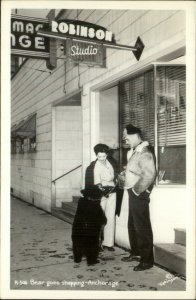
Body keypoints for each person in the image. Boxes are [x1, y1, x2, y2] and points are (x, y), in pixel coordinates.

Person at [121, 124, 156, 271]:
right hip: (133, 192)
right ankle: (136, 252)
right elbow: (137, 170)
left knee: (142, 226)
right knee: (132, 224)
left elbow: (149, 175)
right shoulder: (135, 150)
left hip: (138, 193)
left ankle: (147, 260)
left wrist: (136, 191)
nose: (125, 140)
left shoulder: (144, 151)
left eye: (126, 137)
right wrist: (125, 174)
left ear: (135, 135)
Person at [85, 143, 122, 251]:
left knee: (110, 218)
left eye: (104, 156)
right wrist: (102, 191)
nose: (101, 159)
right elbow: (97, 183)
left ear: (107, 154)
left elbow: (115, 176)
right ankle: (96, 243)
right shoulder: (95, 166)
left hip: (113, 192)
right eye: (99, 156)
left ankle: (108, 243)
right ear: (96, 155)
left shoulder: (111, 162)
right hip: (101, 194)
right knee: (99, 219)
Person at [71, 185, 107, 266]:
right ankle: (91, 260)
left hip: (78, 226)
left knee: (77, 242)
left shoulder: (81, 202)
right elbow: (101, 218)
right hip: (91, 229)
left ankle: (77, 258)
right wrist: (103, 221)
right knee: (92, 244)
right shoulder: (96, 205)